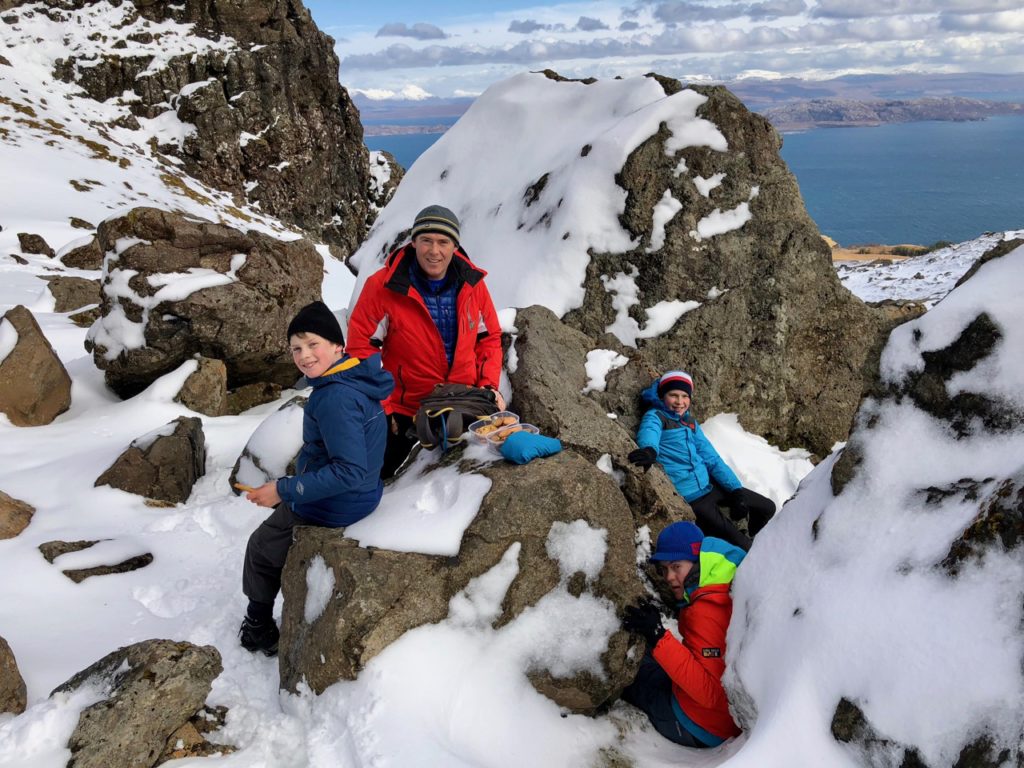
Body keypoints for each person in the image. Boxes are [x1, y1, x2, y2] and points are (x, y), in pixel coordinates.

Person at [238, 301, 393, 655]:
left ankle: (257, 627)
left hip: (338, 504)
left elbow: (348, 471)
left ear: (338, 346)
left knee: (261, 548)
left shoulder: (335, 397)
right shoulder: (353, 378)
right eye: (296, 348)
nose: (304, 356)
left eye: (313, 344)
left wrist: (283, 489)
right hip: (366, 493)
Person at [346, 204, 504, 478]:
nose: (434, 251)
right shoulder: (383, 286)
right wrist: (383, 406)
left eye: (443, 242)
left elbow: (488, 339)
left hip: (462, 403)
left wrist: (488, 388)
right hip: (404, 410)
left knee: (463, 480)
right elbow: (362, 347)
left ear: (455, 246)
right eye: (426, 241)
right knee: (374, 477)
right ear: (414, 242)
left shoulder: (473, 285)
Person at [621, 521, 746, 748]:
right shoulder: (723, 587)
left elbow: (711, 694)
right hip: (726, 722)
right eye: (665, 569)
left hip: (697, 724)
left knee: (633, 671)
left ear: (698, 561)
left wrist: (658, 636)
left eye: (676, 566)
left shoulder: (704, 611)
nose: (669, 577)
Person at [628, 370, 775, 551]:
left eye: (684, 396)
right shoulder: (656, 416)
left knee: (767, 507)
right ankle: (740, 548)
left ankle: (746, 536)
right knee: (744, 546)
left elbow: (711, 458)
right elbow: (650, 432)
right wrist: (649, 450)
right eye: (673, 395)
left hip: (709, 486)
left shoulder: (689, 422)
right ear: (662, 395)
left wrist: (735, 490)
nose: (679, 402)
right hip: (692, 497)